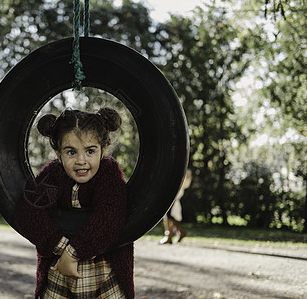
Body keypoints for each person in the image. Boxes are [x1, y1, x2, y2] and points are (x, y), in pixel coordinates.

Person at [15, 107, 134, 298]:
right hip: (58, 275)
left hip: (104, 276)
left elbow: (109, 218)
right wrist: (61, 248)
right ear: (57, 152)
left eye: (90, 151)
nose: (81, 160)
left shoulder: (108, 174)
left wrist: (73, 253)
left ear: (103, 150)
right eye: (71, 152)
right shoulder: (54, 175)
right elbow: (29, 213)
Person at [160, 169, 192, 244]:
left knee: (169, 217)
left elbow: (185, 185)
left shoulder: (183, 172)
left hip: (173, 198)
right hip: (171, 197)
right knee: (170, 217)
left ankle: (170, 235)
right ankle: (179, 233)